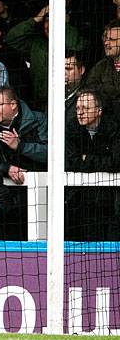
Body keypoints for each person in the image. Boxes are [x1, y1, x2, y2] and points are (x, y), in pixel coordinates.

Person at [7, 4, 87, 111]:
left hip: (70, 101)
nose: (49, 25)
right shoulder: (36, 43)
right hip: (40, 103)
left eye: (55, 20)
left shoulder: (72, 40)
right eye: (47, 20)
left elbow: (76, 45)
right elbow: (12, 39)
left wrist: (65, 25)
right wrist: (36, 19)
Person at [65, 89, 120, 241]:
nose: (80, 113)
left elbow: (116, 162)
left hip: (110, 200)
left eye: (86, 108)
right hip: (80, 200)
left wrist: (86, 159)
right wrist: (100, 160)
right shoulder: (71, 128)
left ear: (99, 111)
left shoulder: (114, 128)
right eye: (77, 108)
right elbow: (70, 161)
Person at [0, 86, 48, 185]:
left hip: (39, 186)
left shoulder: (38, 120)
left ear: (13, 105)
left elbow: (50, 154)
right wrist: (6, 168)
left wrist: (20, 146)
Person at [65, 50, 86, 122]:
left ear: (81, 70)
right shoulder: (52, 93)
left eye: (68, 69)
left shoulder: (88, 96)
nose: (63, 73)